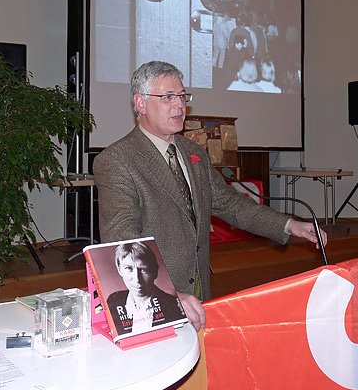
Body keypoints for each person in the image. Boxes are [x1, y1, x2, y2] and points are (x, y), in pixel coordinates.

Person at [94, 60, 327, 330]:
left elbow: (230, 204)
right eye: (168, 97)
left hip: (199, 290)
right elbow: (122, 238)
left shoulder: (194, 154)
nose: (180, 105)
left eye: (182, 96)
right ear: (141, 103)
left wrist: (289, 225)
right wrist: (167, 294)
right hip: (155, 300)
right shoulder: (117, 160)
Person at [106, 241, 186, 335]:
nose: (137, 279)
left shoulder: (173, 305)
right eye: (129, 268)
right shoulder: (113, 300)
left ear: (154, 272)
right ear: (119, 270)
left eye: (143, 269)